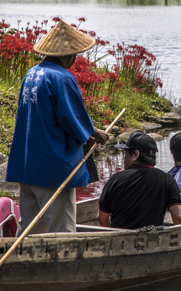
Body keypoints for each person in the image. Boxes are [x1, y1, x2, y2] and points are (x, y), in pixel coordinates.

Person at [6, 21, 110, 233]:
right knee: (61, 228)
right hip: (52, 166)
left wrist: (87, 133)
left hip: (28, 164)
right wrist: (93, 133)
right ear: (68, 55)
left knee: (31, 228)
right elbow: (70, 116)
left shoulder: (31, 74)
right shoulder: (62, 77)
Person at [99, 131, 181, 229]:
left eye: (126, 154)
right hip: (152, 241)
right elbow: (179, 218)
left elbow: (102, 217)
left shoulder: (115, 179)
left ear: (135, 154)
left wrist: (112, 234)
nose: (124, 159)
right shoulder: (167, 180)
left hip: (120, 240)